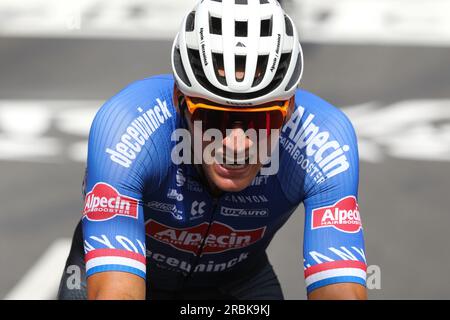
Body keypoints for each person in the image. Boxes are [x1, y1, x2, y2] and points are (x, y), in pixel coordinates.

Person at [58, 0, 367, 300]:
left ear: (289, 109)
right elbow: (117, 293)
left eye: (262, 120)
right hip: (126, 276)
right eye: (213, 117)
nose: (236, 144)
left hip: (236, 286)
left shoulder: (324, 140)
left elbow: (340, 292)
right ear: (181, 101)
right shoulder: (127, 126)